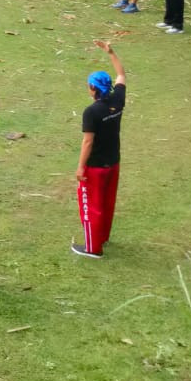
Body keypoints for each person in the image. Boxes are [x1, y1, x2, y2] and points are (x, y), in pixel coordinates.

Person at [73, 42, 125, 259]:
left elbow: (88, 142)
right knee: (107, 201)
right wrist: (111, 52)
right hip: (113, 162)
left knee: (91, 205)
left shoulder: (91, 112)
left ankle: (93, 248)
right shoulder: (117, 100)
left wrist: (80, 167)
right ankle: (102, 236)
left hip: (95, 167)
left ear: (93, 88)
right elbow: (121, 75)